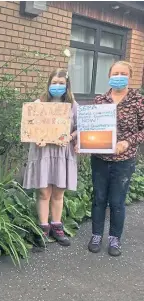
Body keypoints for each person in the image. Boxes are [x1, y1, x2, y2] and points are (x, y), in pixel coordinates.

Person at [87, 61, 144, 257]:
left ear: (130, 76)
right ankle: (96, 235)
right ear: (109, 75)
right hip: (100, 158)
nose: (119, 76)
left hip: (124, 160)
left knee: (117, 201)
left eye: (123, 73)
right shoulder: (100, 100)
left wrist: (128, 142)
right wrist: (83, 141)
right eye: (116, 72)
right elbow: (90, 128)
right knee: (99, 198)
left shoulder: (138, 101)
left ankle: (114, 238)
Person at [23, 68, 78, 248]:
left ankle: (57, 226)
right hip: (44, 153)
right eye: (54, 82)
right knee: (44, 192)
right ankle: (42, 228)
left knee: (58, 192)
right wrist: (36, 137)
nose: (57, 86)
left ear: (67, 86)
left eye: (61, 83)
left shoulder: (73, 105)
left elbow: (81, 127)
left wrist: (70, 137)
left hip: (62, 154)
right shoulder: (38, 104)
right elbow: (29, 128)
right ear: (48, 84)